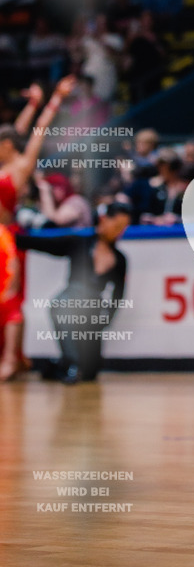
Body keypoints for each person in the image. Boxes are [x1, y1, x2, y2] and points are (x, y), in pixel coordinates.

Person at [0, 77, 76, 380]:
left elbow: (35, 133)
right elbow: (17, 131)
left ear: (7, 147)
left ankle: (11, 359)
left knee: (12, 298)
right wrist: (32, 104)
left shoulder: (20, 166)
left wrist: (54, 99)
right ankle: (15, 357)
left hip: (7, 240)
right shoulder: (5, 161)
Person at [16, 200, 131, 383]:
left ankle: (61, 365)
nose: (119, 231)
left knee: (90, 372)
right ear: (103, 219)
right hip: (71, 299)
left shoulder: (120, 259)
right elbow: (38, 243)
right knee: (63, 305)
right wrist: (7, 235)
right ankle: (70, 363)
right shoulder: (79, 243)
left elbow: (118, 296)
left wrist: (103, 321)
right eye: (117, 225)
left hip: (93, 310)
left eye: (123, 227)